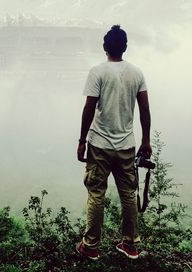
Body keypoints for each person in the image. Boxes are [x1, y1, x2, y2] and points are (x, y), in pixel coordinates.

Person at [75, 25, 152, 260]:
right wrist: (146, 140)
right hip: (126, 145)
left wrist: (81, 141)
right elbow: (145, 109)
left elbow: (89, 108)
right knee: (128, 194)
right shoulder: (136, 73)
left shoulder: (97, 72)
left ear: (104, 47)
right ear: (125, 47)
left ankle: (91, 246)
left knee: (97, 193)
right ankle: (130, 244)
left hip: (99, 144)